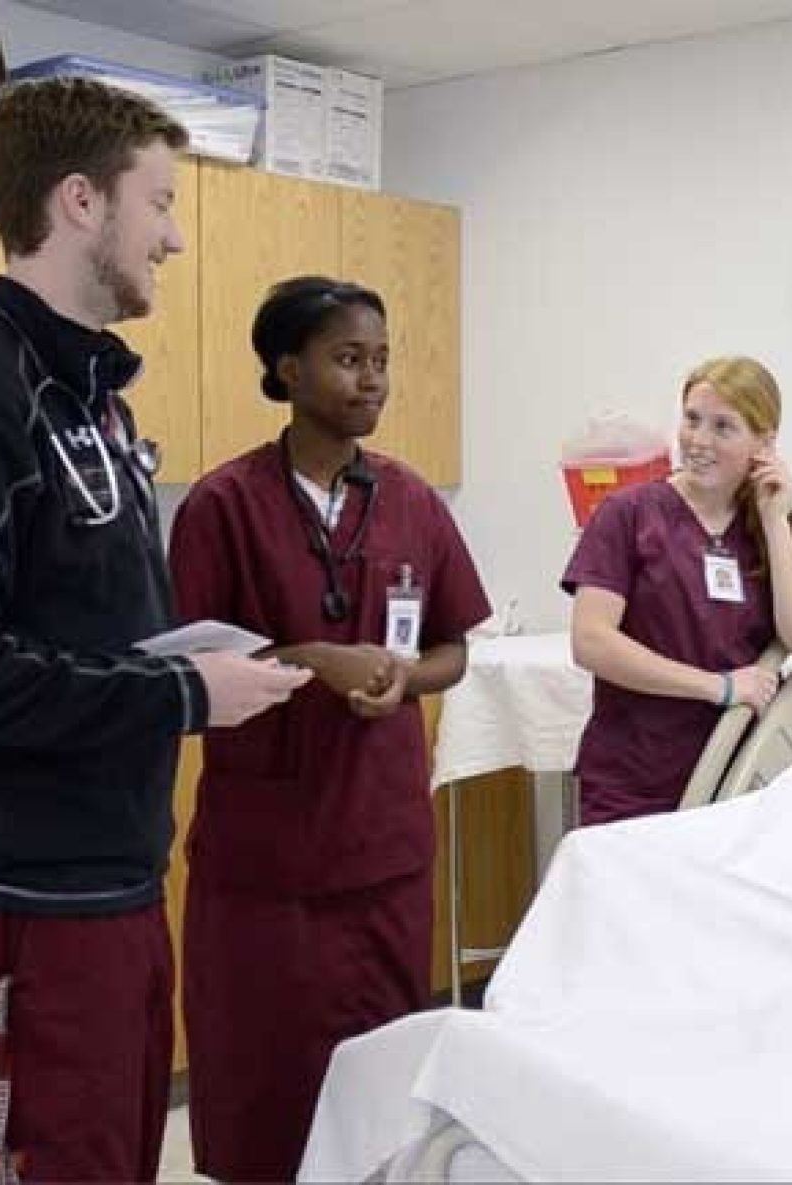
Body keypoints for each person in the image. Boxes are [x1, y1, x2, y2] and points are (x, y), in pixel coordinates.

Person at [0, 77, 309, 1182]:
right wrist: (185, 697)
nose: (178, 237)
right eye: (158, 202)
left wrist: (185, 659)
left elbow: (77, 627)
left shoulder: (92, 402)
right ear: (80, 204)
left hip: (108, 881)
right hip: (6, 902)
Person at [169, 275, 492, 1182]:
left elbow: (452, 650)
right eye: (349, 358)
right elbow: (186, 664)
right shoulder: (222, 506)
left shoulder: (413, 501)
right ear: (287, 369)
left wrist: (401, 675)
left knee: (382, 1080)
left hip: (382, 848)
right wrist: (314, 657)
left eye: (382, 360)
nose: (372, 380)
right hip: (266, 859)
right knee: (264, 1079)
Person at [563, 356, 792, 825]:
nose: (699, 441)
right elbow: (591, 641)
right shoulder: (627, 515)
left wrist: (773, 521)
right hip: (635, 782)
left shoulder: (779, 528)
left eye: (723, 427)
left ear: (764, 444)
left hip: (742, 782)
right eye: (692, 419)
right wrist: (719, 688)